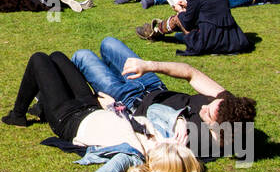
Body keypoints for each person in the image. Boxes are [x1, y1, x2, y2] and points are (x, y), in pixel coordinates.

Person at [0, 50, 202, 172]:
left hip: (69, 119)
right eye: (175, 145)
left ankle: (17, 116)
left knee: (39, 59)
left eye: (170, 148)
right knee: (58, 57)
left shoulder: (133, 155)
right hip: (93, 105)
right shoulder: (160, 135)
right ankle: (41, 105)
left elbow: (112, 169)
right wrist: (180, 120)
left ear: (160, 159)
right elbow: (155, 111)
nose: (169, 142)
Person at [70, 35, 256, 159]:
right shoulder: (229, 106)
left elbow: (149, 145)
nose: (203, 106)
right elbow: (191, 73)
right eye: (211, 103)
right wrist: (149, 65)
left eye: (207, 113)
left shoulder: (199, 144)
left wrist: (113, 110)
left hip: (130, 101)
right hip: (153, 84)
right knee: (108, 43)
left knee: (82, 56)